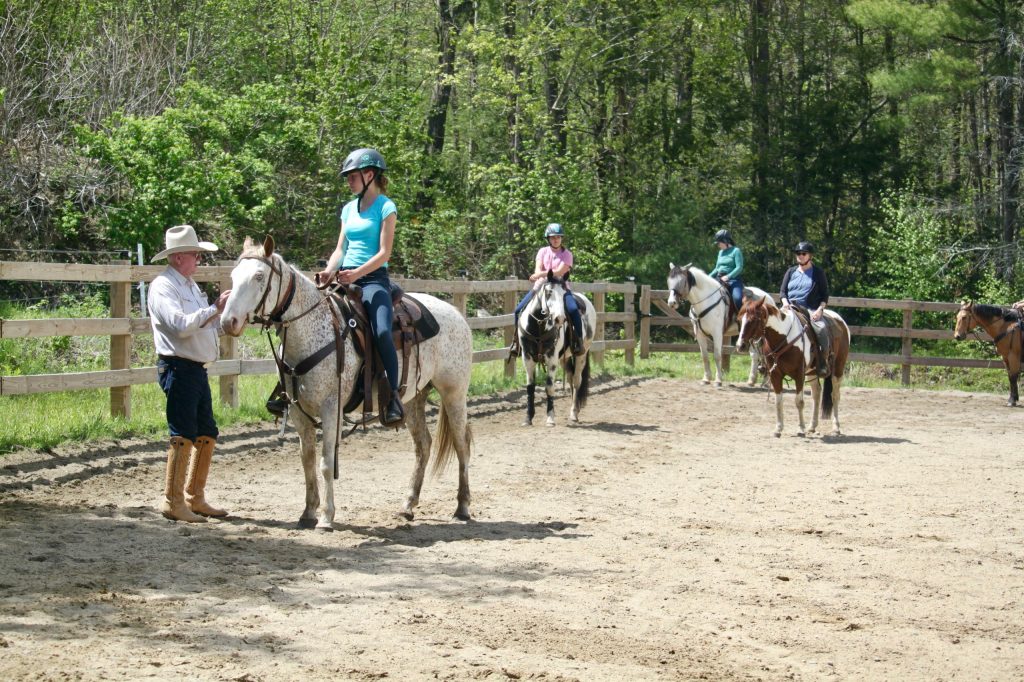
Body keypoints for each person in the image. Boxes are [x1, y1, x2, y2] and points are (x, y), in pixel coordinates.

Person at [148, 224, 231, 523]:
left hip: (194, 369)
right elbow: (180, 326)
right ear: (178, 257)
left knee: (206, 431)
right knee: (183, 432)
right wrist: (213, 309)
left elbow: (201, 325)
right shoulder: (163, 287)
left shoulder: (188, 285)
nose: (199, 259)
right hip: (178, 367)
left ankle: (194, 497)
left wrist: (223, 320)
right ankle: (173, 501)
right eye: (195, 254)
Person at [317, 147, 404, 426]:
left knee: (381, 331)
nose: (349, 181)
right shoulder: (347, 209)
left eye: (352, 176)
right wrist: (330, 271)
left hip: (373, 280)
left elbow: (384, 253)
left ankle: (392, 397)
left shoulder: (386, 207)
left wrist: (357, 274)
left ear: (370, 175)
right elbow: (340, 249)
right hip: (345, 278)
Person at [513, 222, 584, 354]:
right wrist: (540, 274)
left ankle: (578, 341)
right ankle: (516, 344)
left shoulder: (567, 254)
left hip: (560, 287)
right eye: (552, 237)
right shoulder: (542, 251)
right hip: (541, 287)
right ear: (548, 239)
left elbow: (559, 271)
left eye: (558, 237)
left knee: (574, 310)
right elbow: (537, 268)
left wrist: (540, 274)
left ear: (561, 238)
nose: (556, 239)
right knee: (518, 310)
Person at [779, 240, 831, 376]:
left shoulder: (818, 273)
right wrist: (785, 303)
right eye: (798, 253)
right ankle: (765, 361)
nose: (800, 256)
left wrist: (820, 310)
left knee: (821, 328)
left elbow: (825, 295)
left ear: (810, 256)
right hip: (789, 307)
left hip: (809, 308)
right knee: (767, 324)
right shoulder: (790, 271)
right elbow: (783, 292)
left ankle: (823, 361)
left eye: (803, 253)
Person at [708, 229, 744, 310]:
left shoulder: (736, 251)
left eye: (719, 243)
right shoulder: (720, 252)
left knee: (737, 298)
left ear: (725, 241)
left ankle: (740, 318)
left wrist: (728, 276)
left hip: (733, 280)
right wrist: (707, 277)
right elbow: (717, 268)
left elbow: (739, 267)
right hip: (719, 279)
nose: (718, 245)